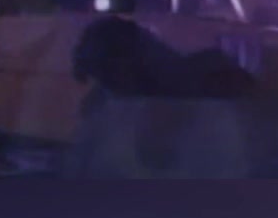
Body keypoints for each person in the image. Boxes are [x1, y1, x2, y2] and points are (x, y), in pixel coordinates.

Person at [64, 16, 251, 178]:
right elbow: (77, 169)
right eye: (103, 79)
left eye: (110, 74)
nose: (109, 87)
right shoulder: (102, 109)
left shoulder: (215, 106)